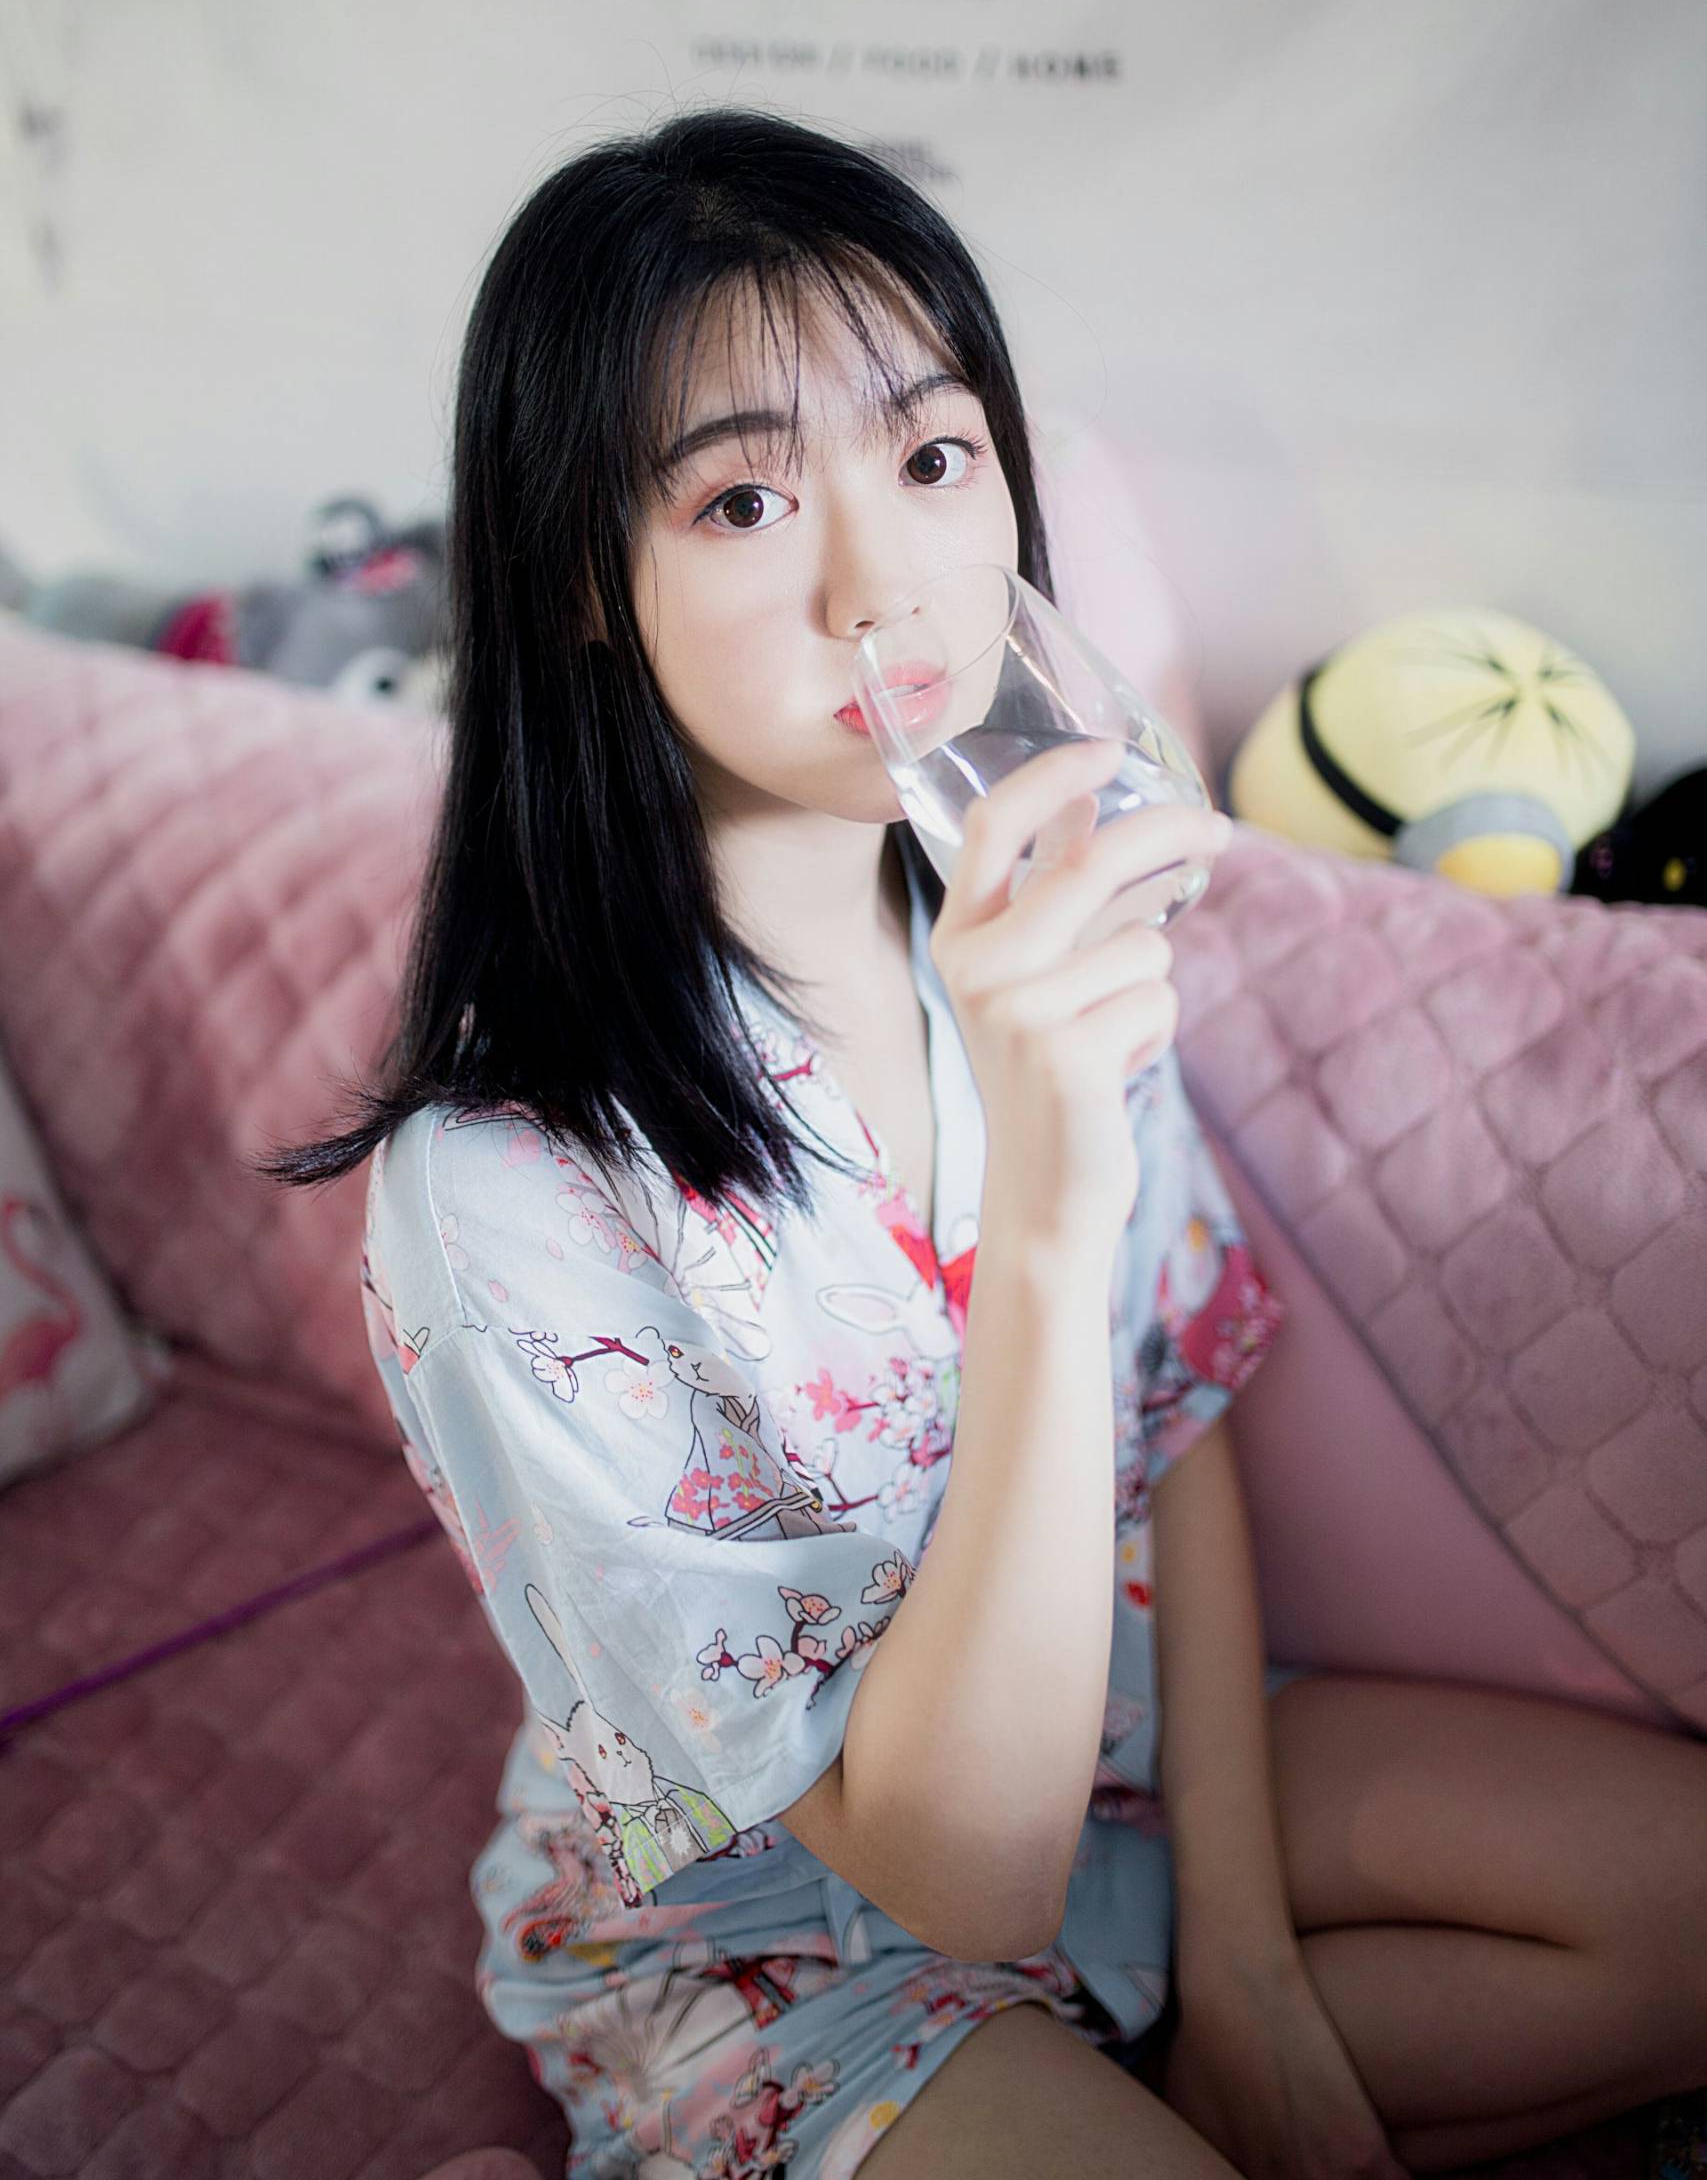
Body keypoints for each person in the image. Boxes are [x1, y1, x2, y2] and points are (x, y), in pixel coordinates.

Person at [262, 110, 1707, 2180]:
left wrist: (1251, 1980)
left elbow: (1174, 1416)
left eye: (933, 458)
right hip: (780, 1925)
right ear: (581, 573)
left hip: (1125, 1753)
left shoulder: (1019, 914)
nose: (890, 586)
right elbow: (965, 1884)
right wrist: (1043, 1200)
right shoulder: (503, 1189)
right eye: (746, 499)